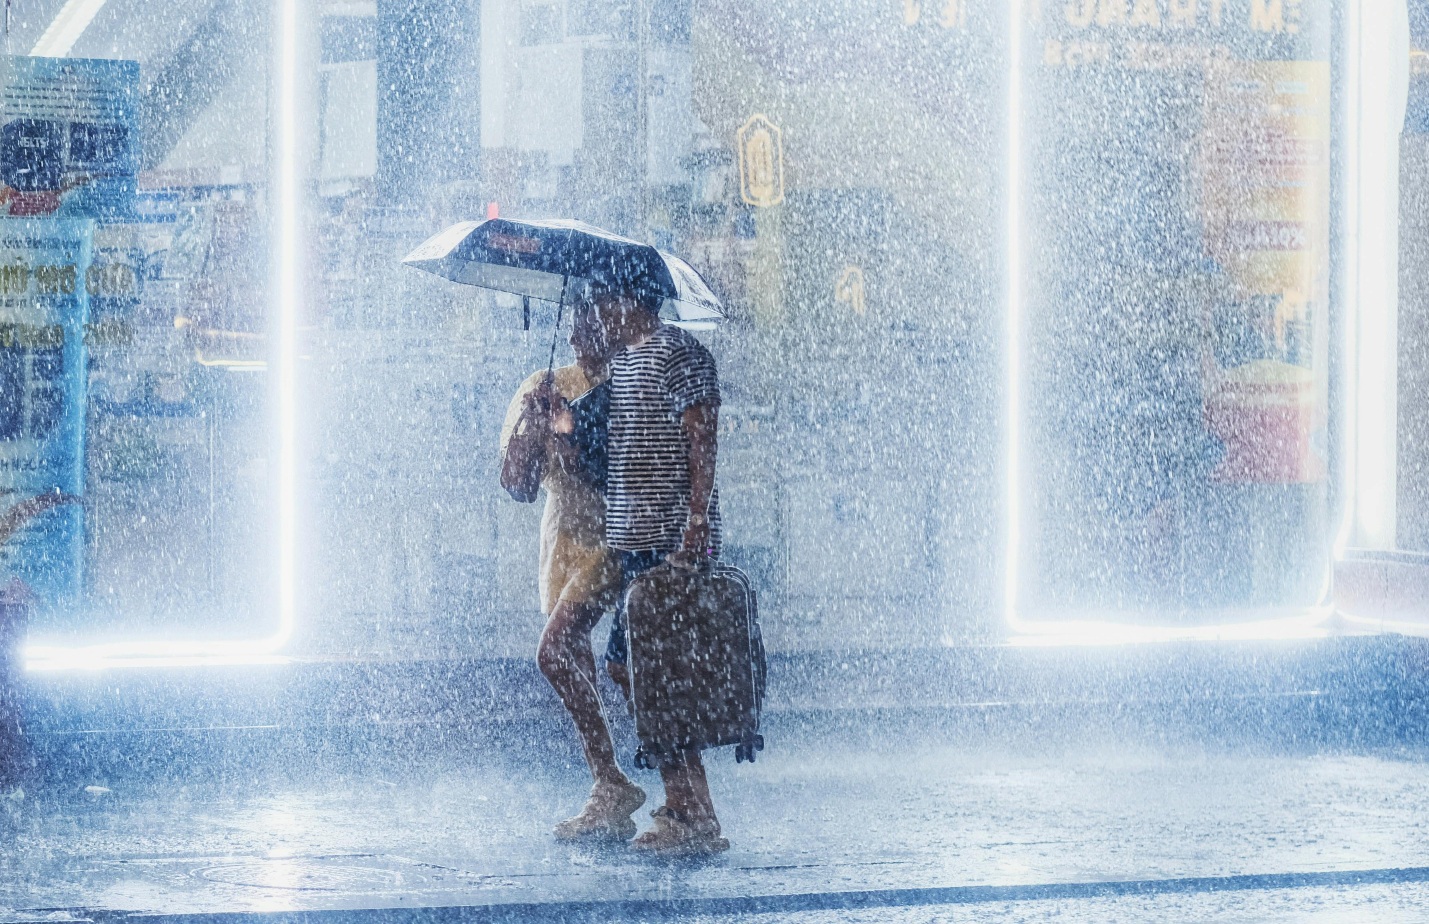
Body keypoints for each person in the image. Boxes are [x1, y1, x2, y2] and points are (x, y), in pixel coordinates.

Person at [498, 303, 647, 841]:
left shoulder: (629, 384)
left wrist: (568, 431)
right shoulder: (545, 383)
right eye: (582, 323)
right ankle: (607, 784)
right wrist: (532, 427)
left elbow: (622, 470)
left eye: (600, 322)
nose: (590, 334)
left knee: (557, 651)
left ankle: (643, 773)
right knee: (574, 661)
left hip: (614, 536)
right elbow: (516, 485)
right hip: (562, 539)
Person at [591, 285, 729, 857]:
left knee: (645, 670)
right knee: (643, 670)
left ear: (631, 298)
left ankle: (687, 809)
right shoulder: (622, 363)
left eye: (603, 299)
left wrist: (697, 519)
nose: (597, 312)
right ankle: (693, 806)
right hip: (635, 544)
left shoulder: (679, 352)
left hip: (671, 543)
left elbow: (703, 434)